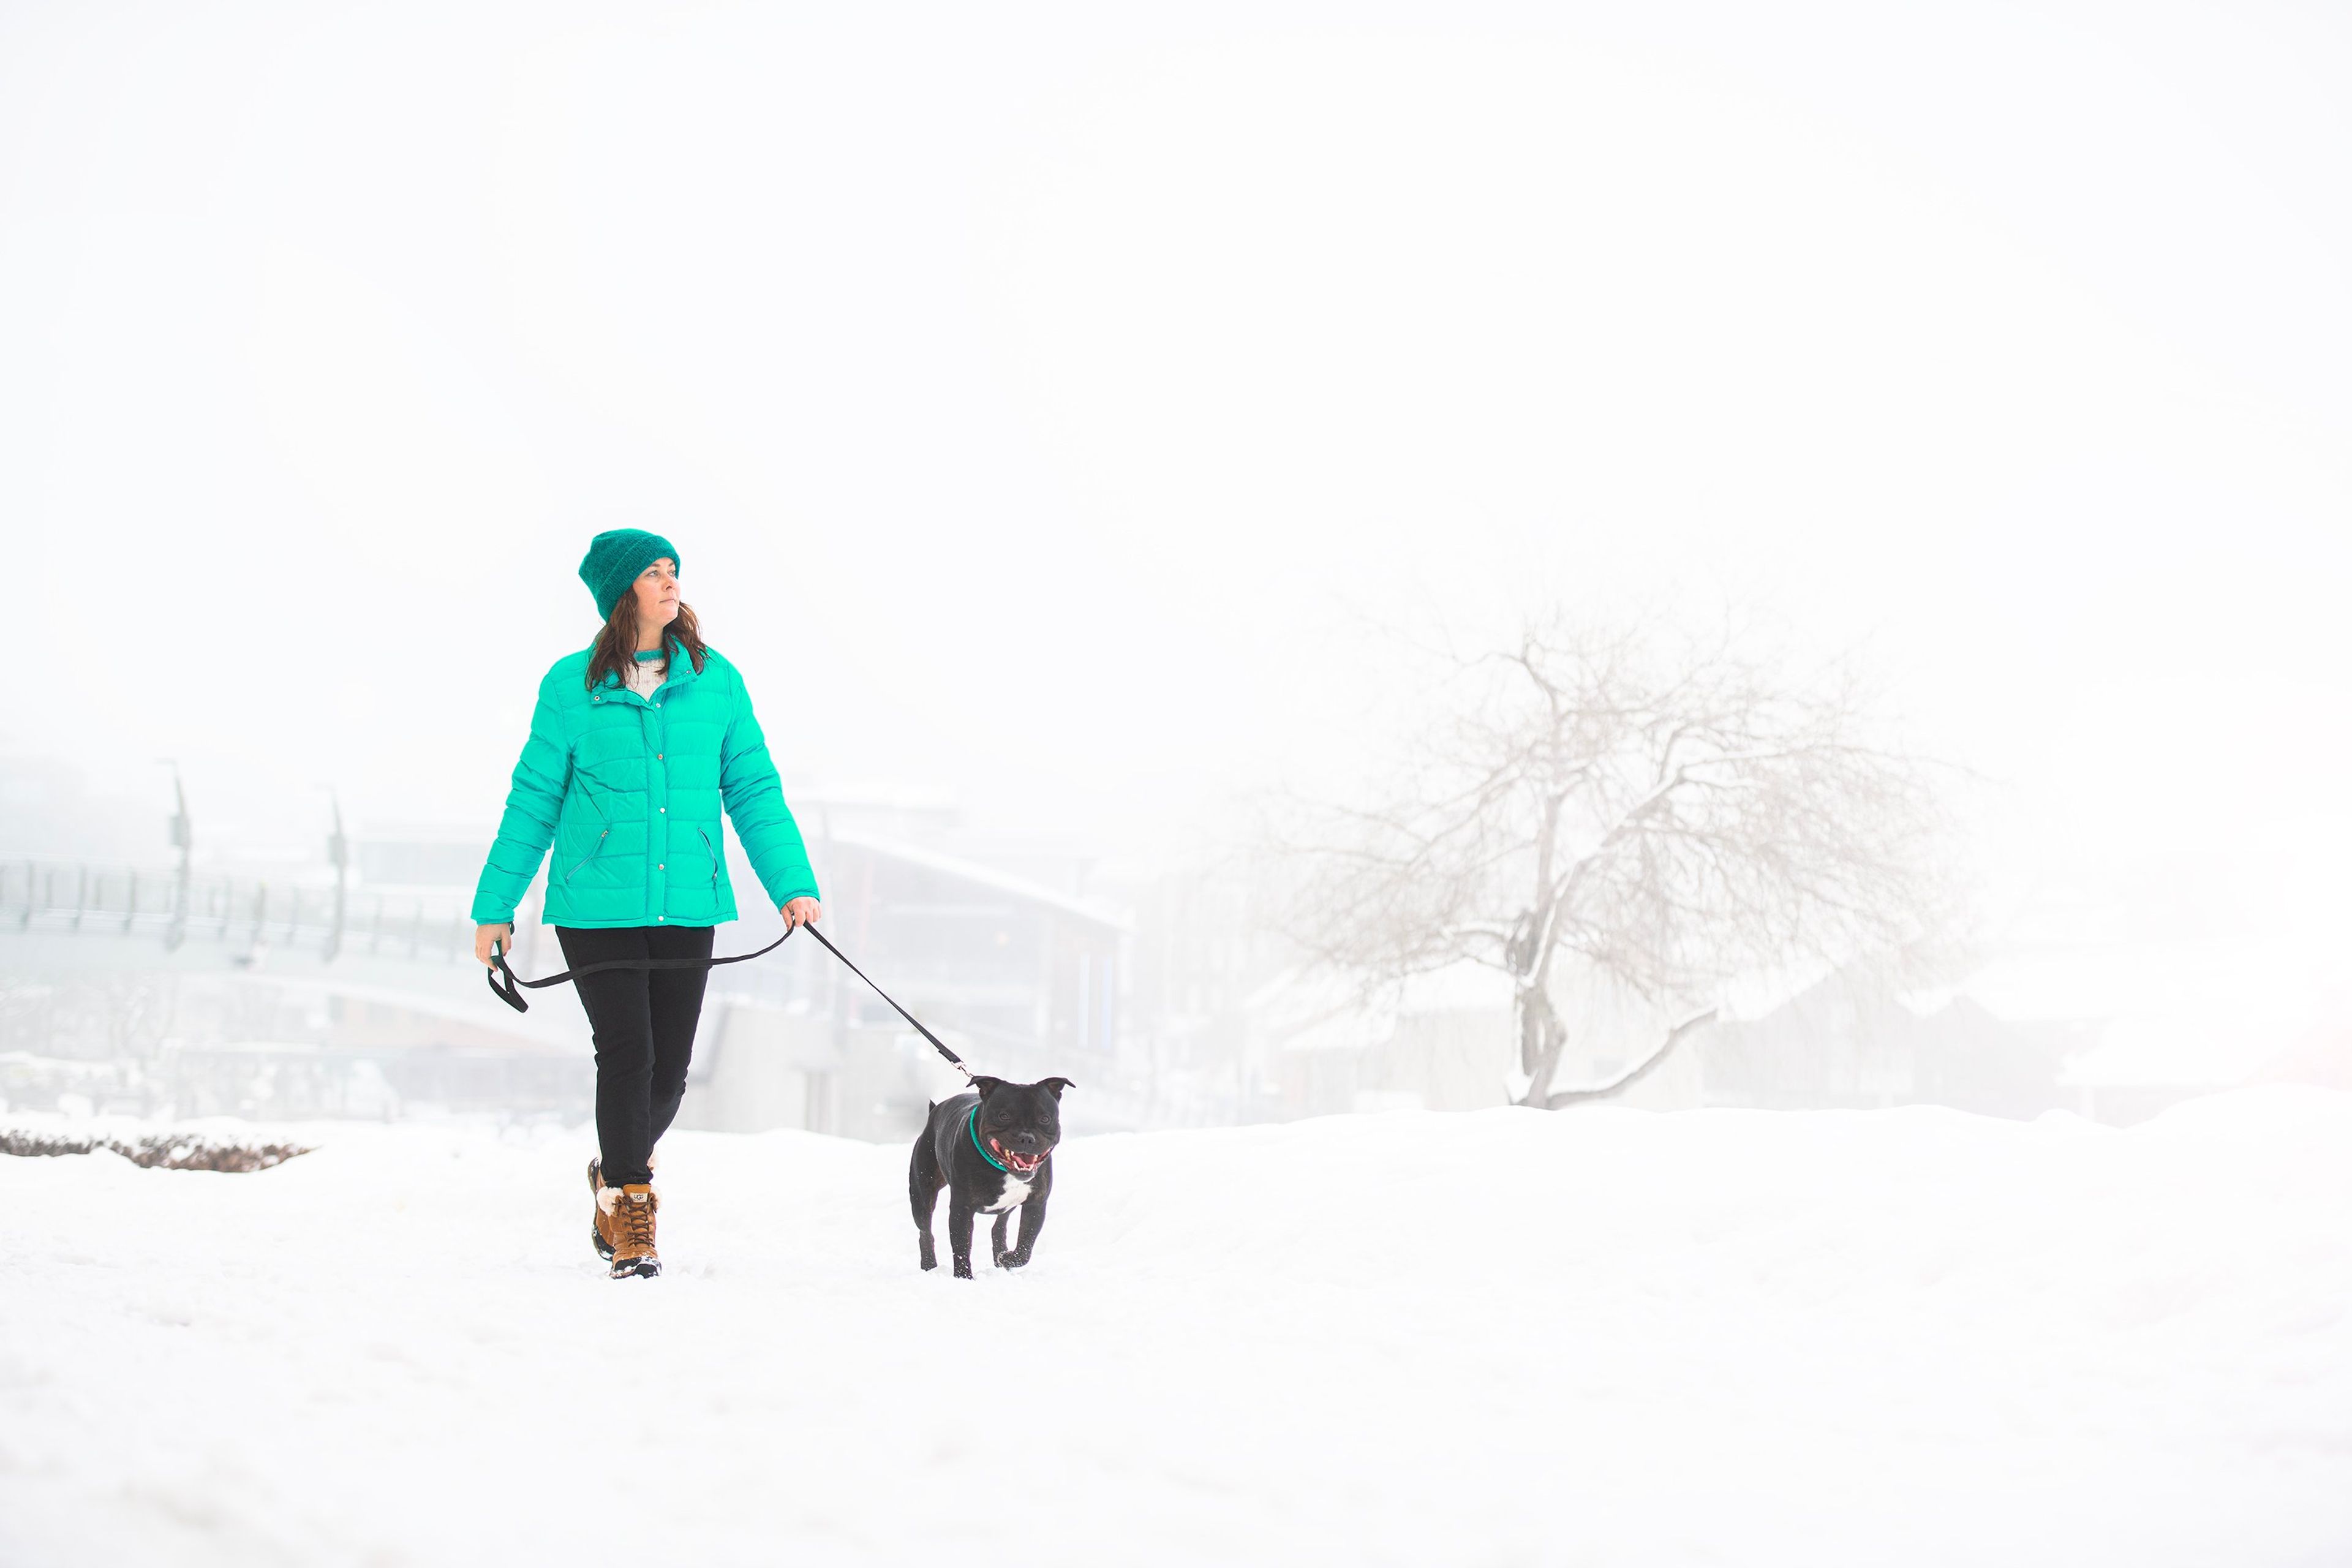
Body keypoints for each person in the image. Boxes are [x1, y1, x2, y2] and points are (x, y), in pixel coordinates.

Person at [470, 529, 823, 1280]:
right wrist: (495, 906)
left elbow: (753, 788)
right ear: (621, 591)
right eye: (655, 572)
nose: (672, 583)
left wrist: (791, 884)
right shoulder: (570, 687)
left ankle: (614, 1166)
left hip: (689, 898)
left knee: (669, 1074)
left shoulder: (715, 681)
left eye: (674, 571)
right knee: (627, 1052)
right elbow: (534, 800)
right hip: (593, 906)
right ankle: (633, 1209)